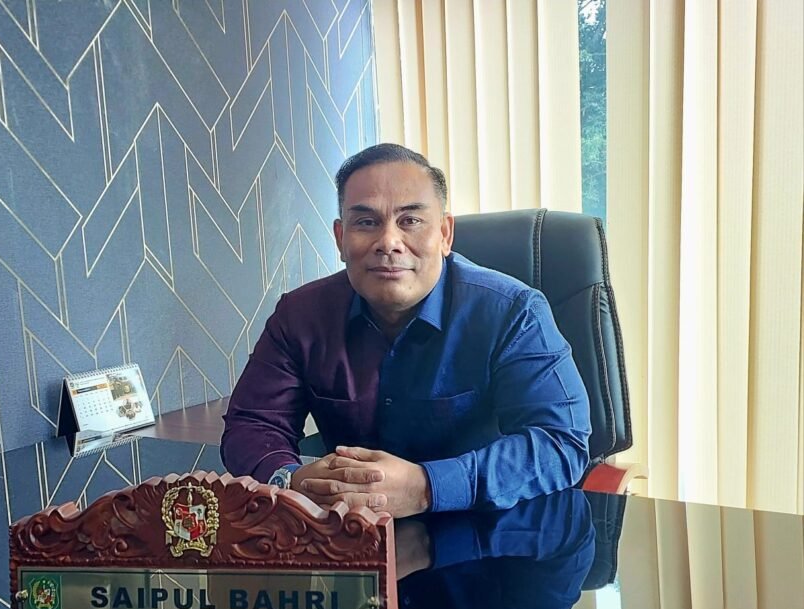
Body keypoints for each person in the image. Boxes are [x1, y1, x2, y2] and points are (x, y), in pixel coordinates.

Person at [221, 143, 590, 517]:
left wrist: (427, 486)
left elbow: (561, 442)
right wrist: (291, 479)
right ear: (340, 238)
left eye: (410, 220)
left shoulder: (513, 311)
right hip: (347, 533)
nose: (388, 242)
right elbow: (251, 423)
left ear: (444, 234)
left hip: (487, 529)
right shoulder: (300, 314)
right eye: (366, 223)